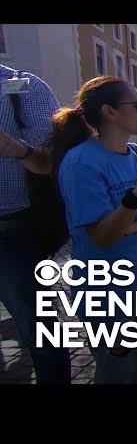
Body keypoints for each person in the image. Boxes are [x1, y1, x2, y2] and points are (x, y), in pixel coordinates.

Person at [52, 75, 137, 384]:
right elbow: (103, 236)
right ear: (109, 112)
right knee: (118, 373)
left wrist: (132, 227)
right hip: (110, 295)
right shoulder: (81, 163)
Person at [0, 63, 71, 384]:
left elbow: (54, 162)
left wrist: (16, 148)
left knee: (40, 334)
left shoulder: (22, 86)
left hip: (13, 228)